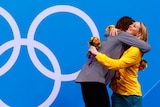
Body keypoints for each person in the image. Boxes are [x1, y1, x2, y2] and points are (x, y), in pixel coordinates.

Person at [75, 16, 150, 107]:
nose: (130, 26)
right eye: (130, 25)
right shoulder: (121, 37)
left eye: (134, 26)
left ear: (139, 34)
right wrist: (115, 30)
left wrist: (113, 29)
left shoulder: (127, 45)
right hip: (97, 80)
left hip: (127, 93)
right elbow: (117, 63)